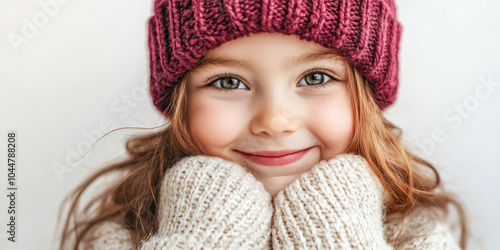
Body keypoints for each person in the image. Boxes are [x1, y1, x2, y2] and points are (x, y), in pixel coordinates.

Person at [57, 0, 470, 249]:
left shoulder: (416, 233)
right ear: (180, 102)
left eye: (315, 78)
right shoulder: (126, 234)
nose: (274, 121)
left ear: (365, 94)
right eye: (228, 82)